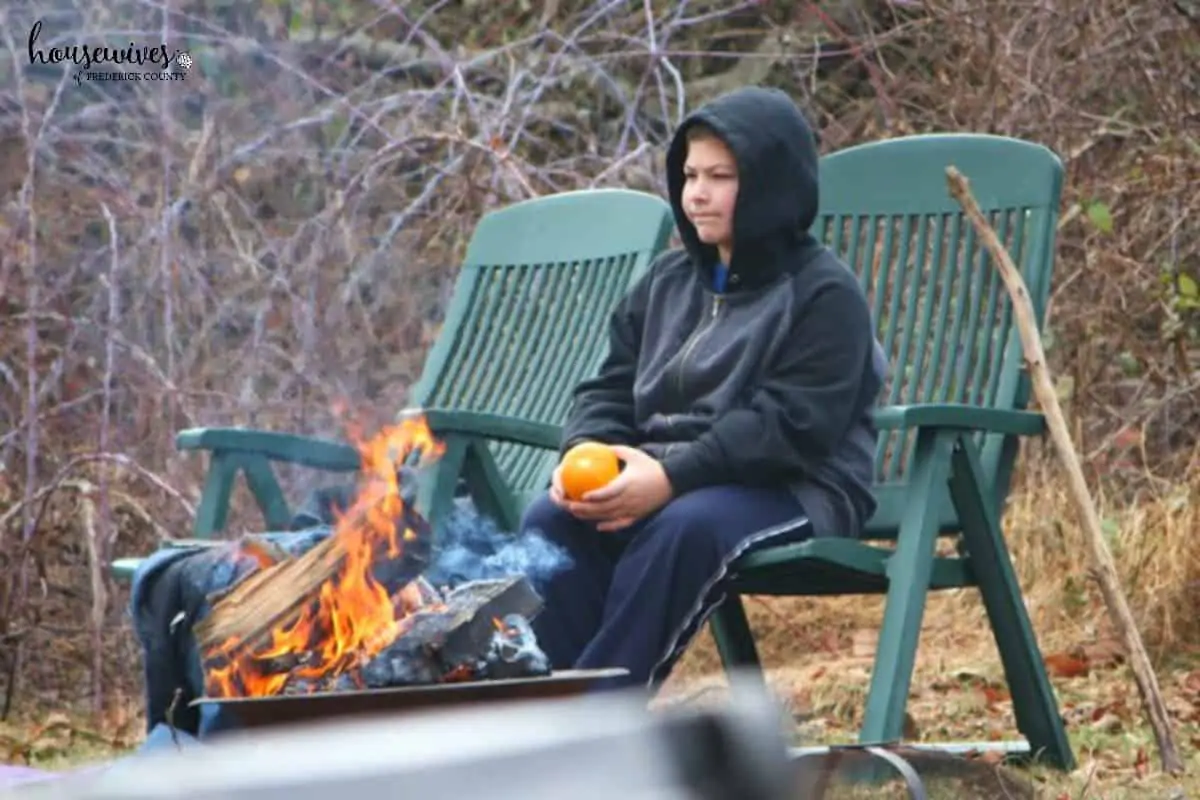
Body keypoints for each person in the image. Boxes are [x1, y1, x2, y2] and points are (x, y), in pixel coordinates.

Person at [522, 86, 889, 692]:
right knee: (552, 519)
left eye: (721, 176)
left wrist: (669, 479)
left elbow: (789, 427)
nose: (696, 192)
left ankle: (595, 722)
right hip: (681, 482)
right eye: (690, 173)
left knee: (683, 529)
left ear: (771, 184)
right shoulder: (667, 281)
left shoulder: (824, 294)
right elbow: (608, 387)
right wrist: (586, 452)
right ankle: (538, 708)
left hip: (793, 487)